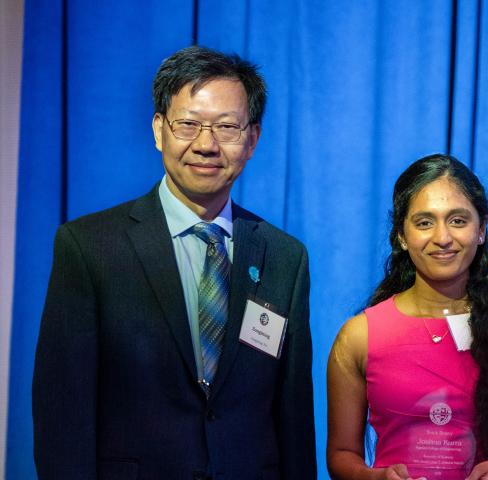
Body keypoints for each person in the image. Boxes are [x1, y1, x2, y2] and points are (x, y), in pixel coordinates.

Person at [32, 45, 316, 479]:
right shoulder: (90, 248)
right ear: (159, 130)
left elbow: (293, 417)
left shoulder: (284, 257)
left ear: (252, 139)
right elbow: (63, 415)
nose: (206, 145)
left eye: (227, 127)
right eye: (189, 124)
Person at [326, 154, 488, 480]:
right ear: (401, 235)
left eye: (458, 221)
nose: (443, 238)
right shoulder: (358, 336)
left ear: (481, 229)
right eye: (424, 223)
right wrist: (376, 477)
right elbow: (341, 455)